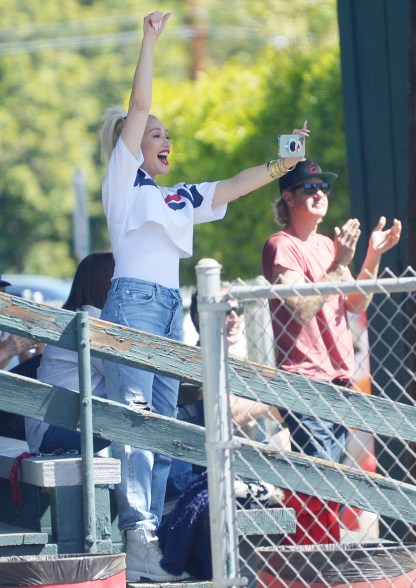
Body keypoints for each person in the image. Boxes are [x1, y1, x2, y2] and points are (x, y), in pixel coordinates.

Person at [98, 10, 307, 583]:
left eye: (167, 134)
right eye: (156, 133)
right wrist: (149, 39)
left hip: (168, 309)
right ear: (130, 145)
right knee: (136, 420)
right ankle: (137, 532)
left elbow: (232, 186)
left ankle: (151, 544)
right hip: (135, 302)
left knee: (162, 421)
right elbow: (137, 107)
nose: (165, 138)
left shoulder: (174, 197)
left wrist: (280, 165)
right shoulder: (122, 184)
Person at [262, 158, 402, 462]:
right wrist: (339, 264)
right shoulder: (281, 245)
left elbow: (356, 302)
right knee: (319, 485)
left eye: (324, 187)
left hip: (339, 380)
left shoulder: (328, 245)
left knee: (332, 487)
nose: (320, 193)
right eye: (310, 187)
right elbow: (301, 310)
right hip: (305, 382)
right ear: (288, 196)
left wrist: (372, 256)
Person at [25, 252, 115, 455]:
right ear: (107, 283)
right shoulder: (91, 325)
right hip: (53, 432)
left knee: (138, 412)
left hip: (51, 428)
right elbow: (122, 377)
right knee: (140, 414)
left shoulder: (79, 318)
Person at [0, 276, 40, 371]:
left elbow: (29, 366)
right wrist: (5, 351)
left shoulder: (7, 322)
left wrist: (40, 341)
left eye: (2, 290)